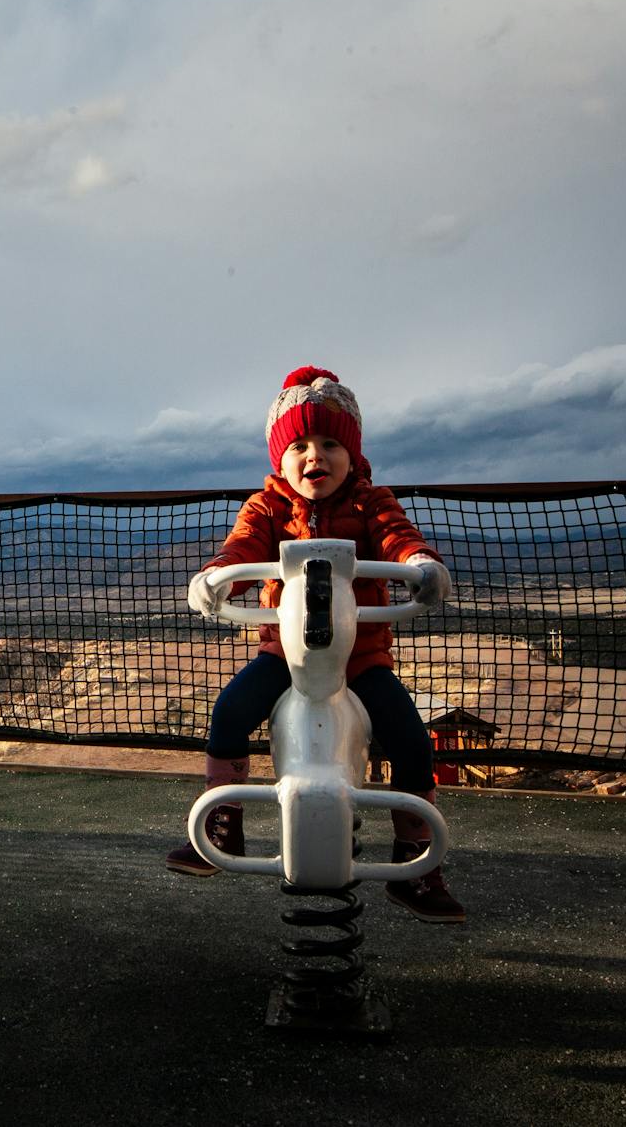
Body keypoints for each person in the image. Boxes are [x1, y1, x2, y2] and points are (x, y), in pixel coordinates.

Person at [165, 366, 463, 922]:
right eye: (299, 445)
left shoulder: (372, 501)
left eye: (330, 444)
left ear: (351, 455)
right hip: (287, 653)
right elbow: (242, 547)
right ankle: (224, 827)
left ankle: (417, 863)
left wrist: (418, 564)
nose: (314, 457)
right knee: (230, 714)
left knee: (412, 742)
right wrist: (217, 575)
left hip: (361, 657)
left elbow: (398, 536)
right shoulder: (268, 507)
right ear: (280, 459)